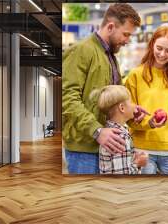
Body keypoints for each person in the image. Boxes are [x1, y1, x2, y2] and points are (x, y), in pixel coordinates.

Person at [62, 3, 147, 174]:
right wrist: (97, 130)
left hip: (106, 147)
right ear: (110, 27)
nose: (127, 40)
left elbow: (113, 100)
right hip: (85, 151)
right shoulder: (81, 50)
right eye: (125, 34)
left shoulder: (110, 58)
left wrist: (130, 111)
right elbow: (67, 98)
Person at [125, 26, 168, 174]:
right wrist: (148, 122)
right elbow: (129, 118)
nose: (162, 54)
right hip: (142, 148)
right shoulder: (135, 75)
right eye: (159, 48)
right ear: (152, 45)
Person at [91, 85, 148, 174]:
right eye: (131, 102)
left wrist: (132, 156)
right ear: (122, 108)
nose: (134, 105)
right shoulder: (119, 136)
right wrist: (138, 162)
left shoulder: (109, 130)